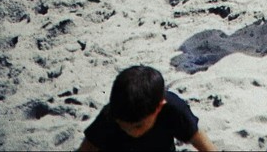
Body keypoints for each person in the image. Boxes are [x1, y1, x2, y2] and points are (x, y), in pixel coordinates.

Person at [81, 64, 216, 152]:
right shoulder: (111, 114)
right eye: (122, 125)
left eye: (138, 126)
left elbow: (204, 144)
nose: (130, 131)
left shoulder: (174, 110)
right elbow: (87, 148)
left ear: (159, 108)